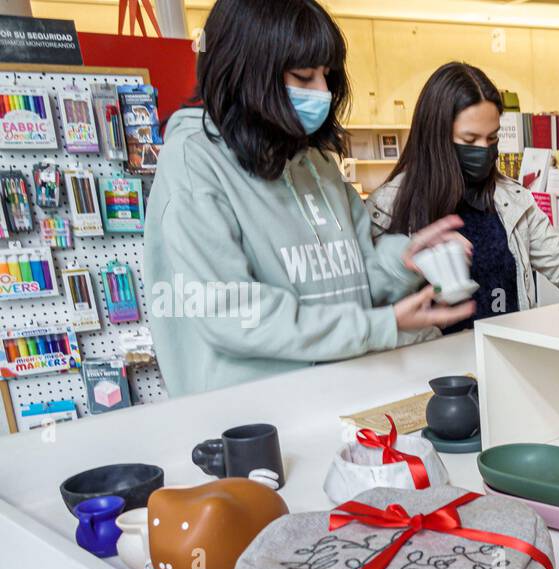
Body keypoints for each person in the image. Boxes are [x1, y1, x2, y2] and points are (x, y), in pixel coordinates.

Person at [144, 0, 473, 397]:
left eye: (326, 76)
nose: (322, 91)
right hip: (254, 422)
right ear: (248, 72)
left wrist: (409, 258)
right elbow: (234, 315)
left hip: (341, 397)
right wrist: (380, 326)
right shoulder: (194, 164)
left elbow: (356, 280)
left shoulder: (316, 162)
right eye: (303, 77)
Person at [368, 62, 559, 334]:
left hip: (505, 361)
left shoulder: (514, 199)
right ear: (436, 136)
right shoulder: (387, 207)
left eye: (492, 138)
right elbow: (370, 305)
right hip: (430, 369)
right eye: (469, 139)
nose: (484, 150)